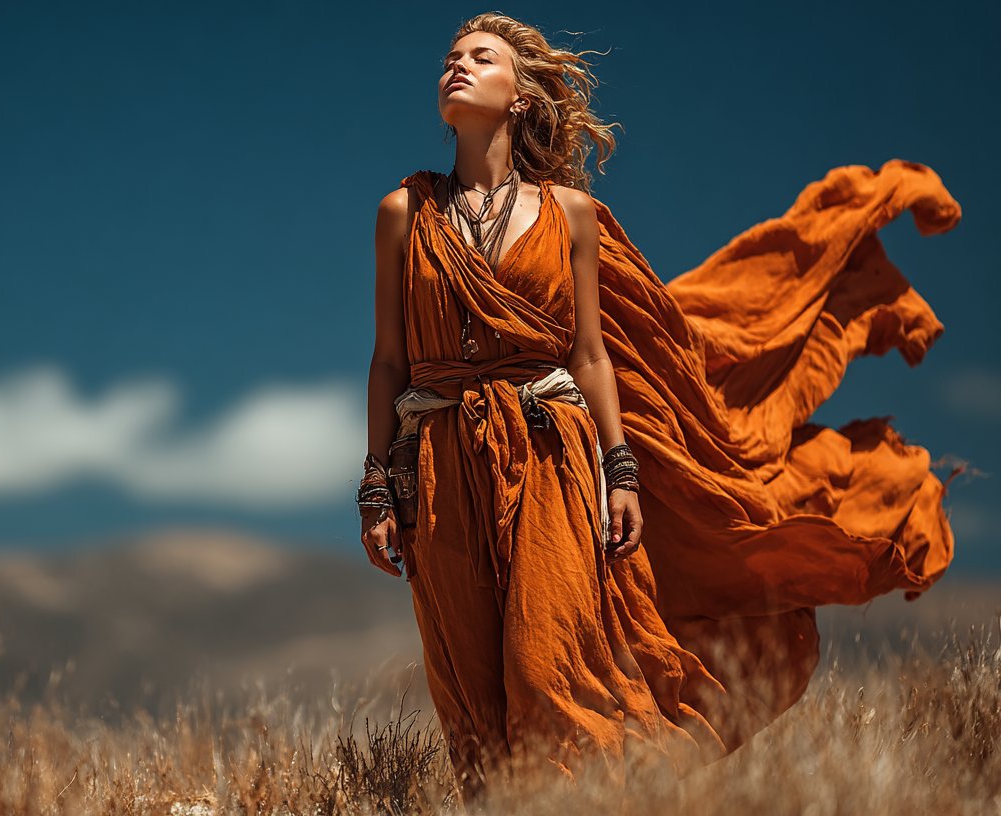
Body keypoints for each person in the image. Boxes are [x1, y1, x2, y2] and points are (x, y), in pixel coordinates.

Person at [356, 11, 964, 805]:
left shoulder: (569, 214)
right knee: (471, 691)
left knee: (549, 666)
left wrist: (620, 470)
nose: (456, 67)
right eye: (450, 57)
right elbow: (390, 361)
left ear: (521, 98)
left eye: (480, 57)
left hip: (552, 453)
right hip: (441, 464)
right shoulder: (404, 213)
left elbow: (589, 355)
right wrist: (377, 484)